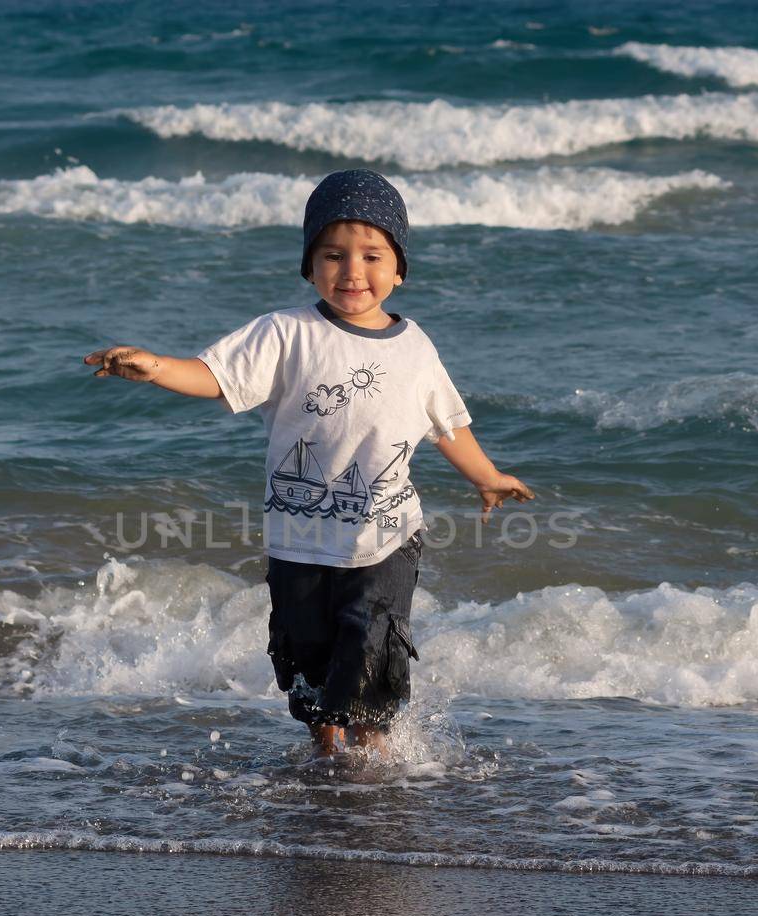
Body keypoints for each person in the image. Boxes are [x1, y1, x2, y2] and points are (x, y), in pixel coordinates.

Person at [85, 169, 533, 758]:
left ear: (399, 270)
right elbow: (217, 376)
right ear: (309, 265)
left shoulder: (416, 346)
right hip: (299, 535)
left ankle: (373, 755)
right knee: (310, 653)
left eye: (372, 256)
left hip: (386, 532)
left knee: (373, 643)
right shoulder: (285, 334)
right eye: (333, 254)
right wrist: (157, 367)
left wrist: (487, 477)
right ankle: (327, 748)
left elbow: (446, 424)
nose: (352, 271)